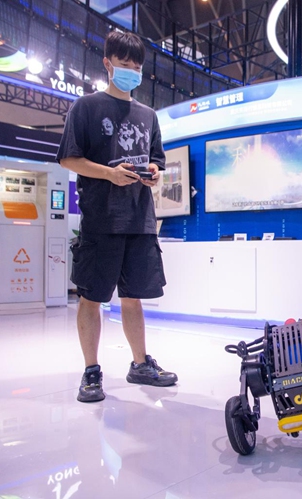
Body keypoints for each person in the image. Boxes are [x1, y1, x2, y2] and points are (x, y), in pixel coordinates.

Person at [57, 30, 177, 403]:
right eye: (124, 65)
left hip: (140, 220)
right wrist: (109, 173)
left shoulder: (149, 115)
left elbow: (157, 160)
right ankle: (91, 371)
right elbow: (68, 158)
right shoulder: (86, 107)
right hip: (100, 219)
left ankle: (140, 364)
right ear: (108, 64)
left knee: (134, 296)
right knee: (91, 298)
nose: (131, 72)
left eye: (136, 67)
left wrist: (156, 172)